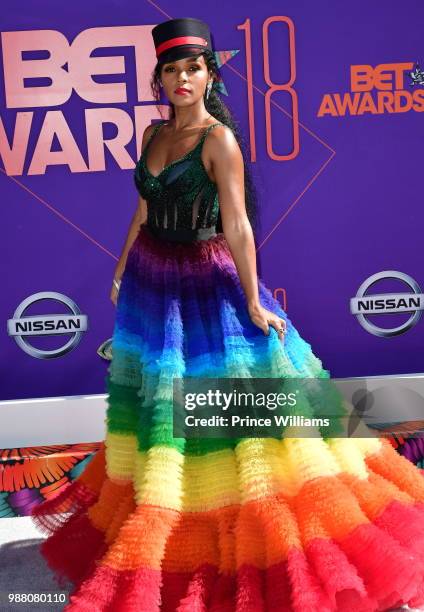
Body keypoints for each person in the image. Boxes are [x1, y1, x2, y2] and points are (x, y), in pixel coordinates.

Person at [31, 17, 424, 612]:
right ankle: (176, 521)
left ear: (210, 74)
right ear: (159, 78)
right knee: (164, 409)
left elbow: (238, 225)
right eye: (171, 69)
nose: (182, 78)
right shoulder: (152, 135)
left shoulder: (219, 140)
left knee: (235, 413)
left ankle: (248, 535)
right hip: (151, 285)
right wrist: (118, 267)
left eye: (193, 67)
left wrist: (251, 299)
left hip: (206, 286)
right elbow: (144, 207)